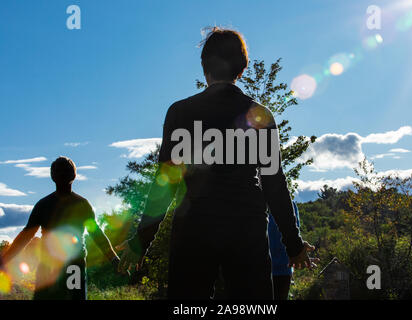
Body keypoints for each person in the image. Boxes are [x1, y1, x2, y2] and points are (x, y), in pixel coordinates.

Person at [118, 27, 317, 299]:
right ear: (243, 68)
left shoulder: (180, 113)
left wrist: (142, 240)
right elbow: (274, 184)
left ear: (204, 67)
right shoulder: (260, 116)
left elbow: (163, 185)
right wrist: (293, 246)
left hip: (193, 232)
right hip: (246, 232)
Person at [0, 156, 120, 300]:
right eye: (60, 171)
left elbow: (25, 236)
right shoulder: (79, 204)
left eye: (63, 171)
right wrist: (114, 260)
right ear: (74, 176)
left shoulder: (46, 204)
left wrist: (4, 261)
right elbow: (97, 235)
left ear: (53, 176)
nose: (62, 174)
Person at [268, 201, 301, 300]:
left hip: (281, 268)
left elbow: (295, 234)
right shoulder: (289, 204)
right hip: (282, 268)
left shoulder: (254, 202)